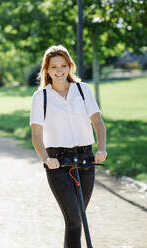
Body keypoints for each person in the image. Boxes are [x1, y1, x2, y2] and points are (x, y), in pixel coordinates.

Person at [30, 45, 107, 247]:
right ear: (46, 69)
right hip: (58, 162)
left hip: (86, 157)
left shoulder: (82, 90)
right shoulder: (41, 97)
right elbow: (37, 135)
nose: (59, 70)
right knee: (73, 220)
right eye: (54, 66)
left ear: (69, 67)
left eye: (63, 65)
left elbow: (98, 122)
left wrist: (101, 149)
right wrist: (46, 159)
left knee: (78, 218)